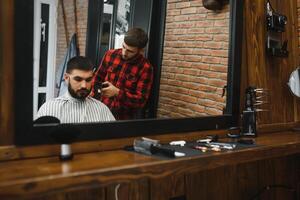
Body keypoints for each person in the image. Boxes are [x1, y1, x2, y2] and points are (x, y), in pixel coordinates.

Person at [91, 27, 153, 120]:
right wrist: (94, 96)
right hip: (99, 111)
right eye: (124, 47)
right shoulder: (110, 54)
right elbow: (97, 78)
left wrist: (117, 93)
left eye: (130, 51)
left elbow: (141, 101)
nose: (124, 53)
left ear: (141, 51)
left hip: (123, 118)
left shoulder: (145, 68)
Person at [36, 56, 115, 123]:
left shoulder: (102, 110)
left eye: (88, 80)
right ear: (66, 78)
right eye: (78, 79)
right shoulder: (49, 108)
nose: (84, 85)